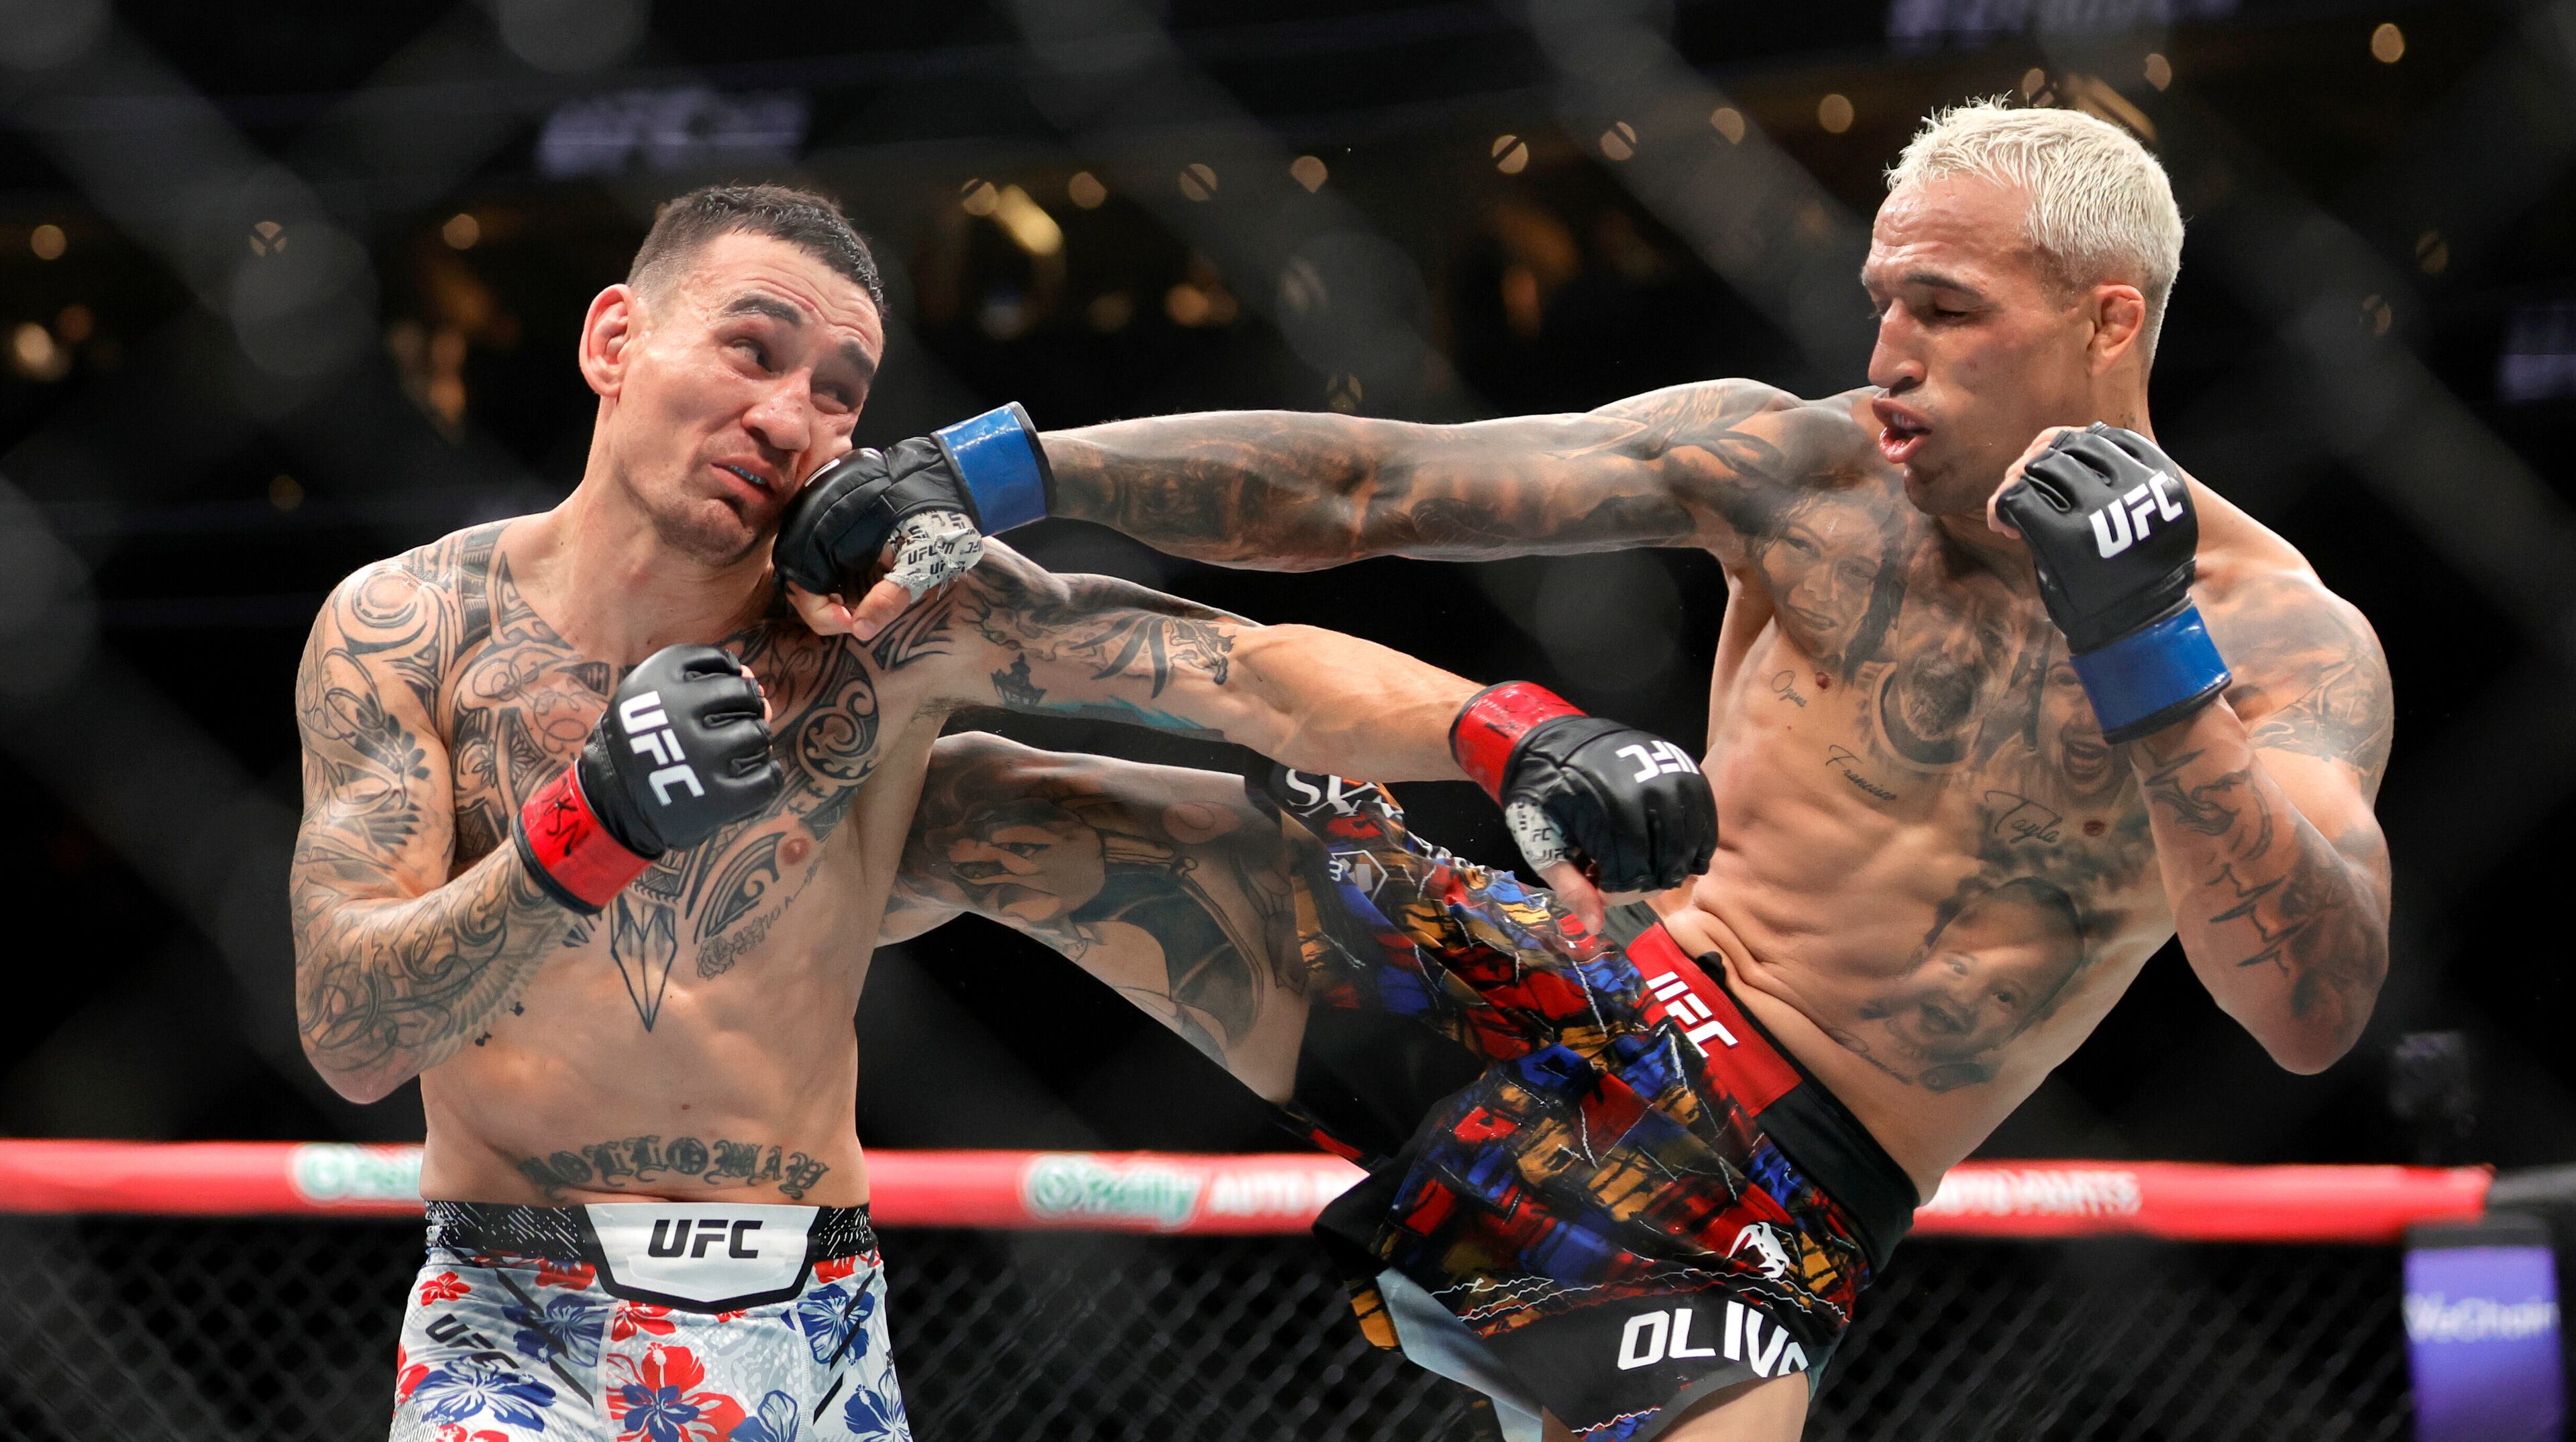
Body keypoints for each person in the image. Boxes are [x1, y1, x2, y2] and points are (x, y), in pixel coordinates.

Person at [808, 103, 2396, 1441]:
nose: (1889, 353)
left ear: (2108, 321)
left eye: (1946, 308)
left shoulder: (2277, 639)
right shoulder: (1804, 467)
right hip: (1566, 979)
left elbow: (2309, 1009)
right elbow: (1376, 484)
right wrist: (1006, 466)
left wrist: (2148, 660)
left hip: (1766, 1182)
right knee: (986, 802)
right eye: (1884, 300)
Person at [288, 184, 1712, 1442]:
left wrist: (1510, 731)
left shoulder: (886, 626)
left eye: (839, 393)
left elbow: (1232, 669)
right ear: (615, 340)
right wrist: (587, 826)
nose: (787, 418)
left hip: (811, 1317)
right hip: (517, 1318)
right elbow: (352, 1032)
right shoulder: (409, 628)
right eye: (751, 350)